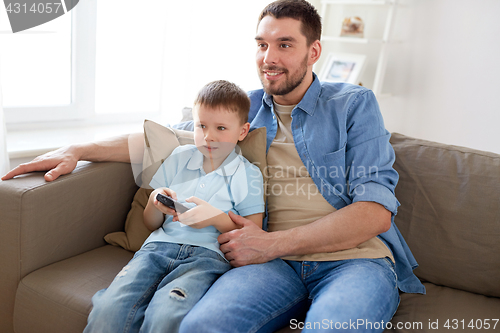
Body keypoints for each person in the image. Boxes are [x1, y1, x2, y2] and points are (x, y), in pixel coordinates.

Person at [2, 1, 426, 332]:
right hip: (269, 266)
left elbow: (375, 210)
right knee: (203, 325)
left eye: (284, 44)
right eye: (261, 44)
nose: (268, 57)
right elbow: (163, 138)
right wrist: (79, 148)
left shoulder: (353, 105)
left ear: (313, 51)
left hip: (351, 260)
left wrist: (271, 243)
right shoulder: (245, 108)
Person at [83, 80, 265, 333]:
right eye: (202, 126)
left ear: (242, 131)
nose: (209, 136)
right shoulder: (179, 157)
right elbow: (151, 224)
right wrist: (154, 200)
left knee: (167, 316)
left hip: (206, 258)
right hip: (156, 249)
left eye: (221, 128)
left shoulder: (249, 174)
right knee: (108, 310)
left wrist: (214, 218)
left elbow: (253, 233)